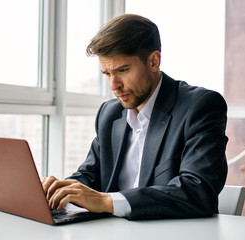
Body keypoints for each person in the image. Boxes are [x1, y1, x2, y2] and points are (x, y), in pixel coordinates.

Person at [42, 14, 228, 220]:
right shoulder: (109, 113)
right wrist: (59, 191)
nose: (114, 85)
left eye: (122, 70)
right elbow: (89, 176)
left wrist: (107, 202)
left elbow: (197, 192)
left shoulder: (200, 106)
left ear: (154, 61)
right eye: (107, 74)